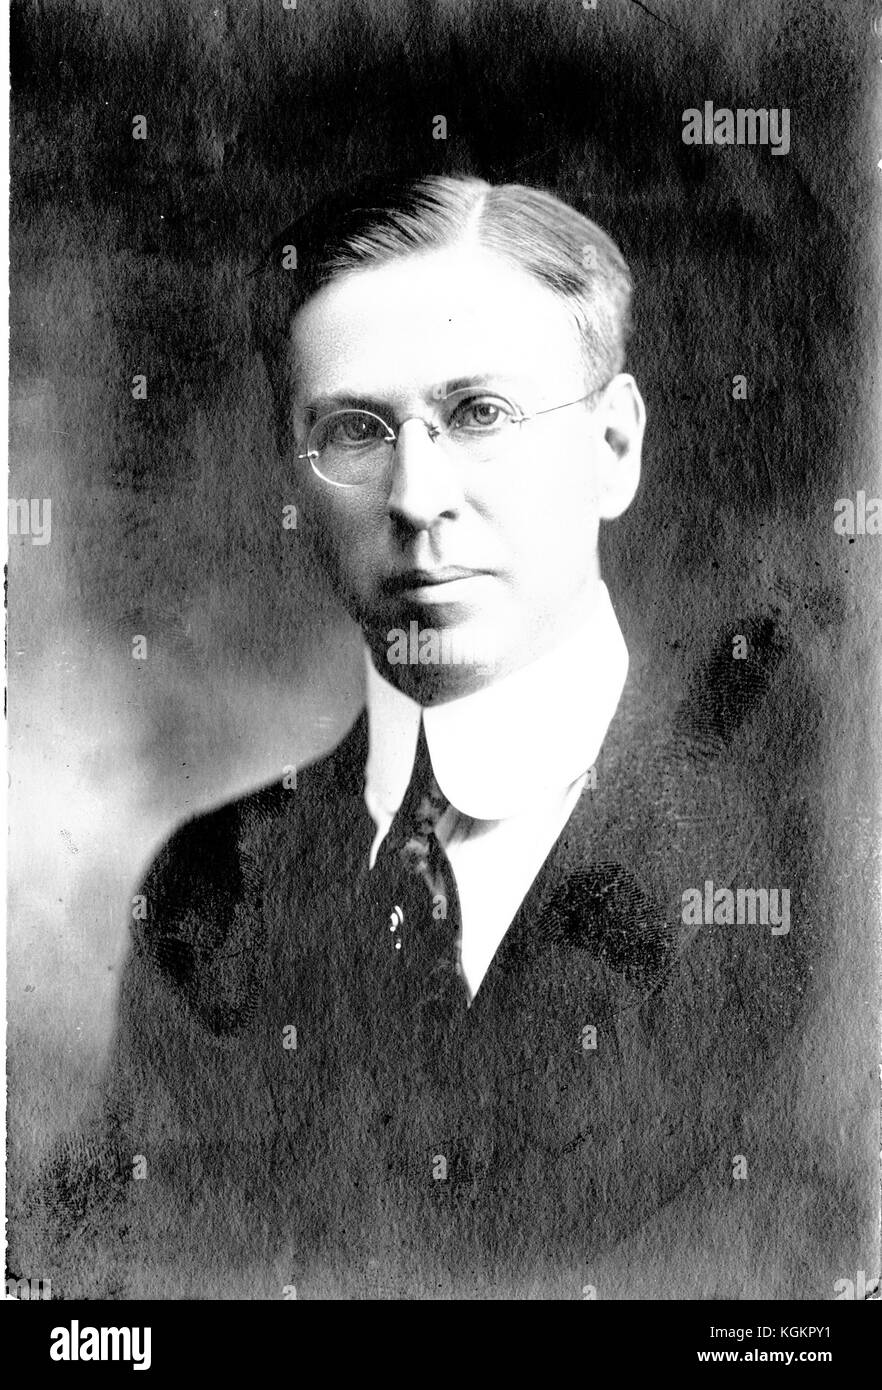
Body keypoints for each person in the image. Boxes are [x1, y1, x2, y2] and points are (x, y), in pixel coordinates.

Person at [17, 176, 820, 1299]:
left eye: (480, 414)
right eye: (355, 430)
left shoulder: (819, 869)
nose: (416, 494)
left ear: (615, 445)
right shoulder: (207, 892)